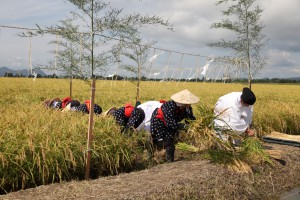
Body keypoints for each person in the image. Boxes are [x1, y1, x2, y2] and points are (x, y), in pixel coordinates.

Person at [150, 89, 199, 162]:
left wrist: (195, 125)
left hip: (172, 123)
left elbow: (190, 118)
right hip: (159, 121)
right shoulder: (169, 106)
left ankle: (169, 161)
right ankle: (153, 158)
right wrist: (184, 127)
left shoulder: (187, 108)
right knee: (159, 140)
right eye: (188, 103)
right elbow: (170, 123)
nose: (189, 104)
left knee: (170, 141)